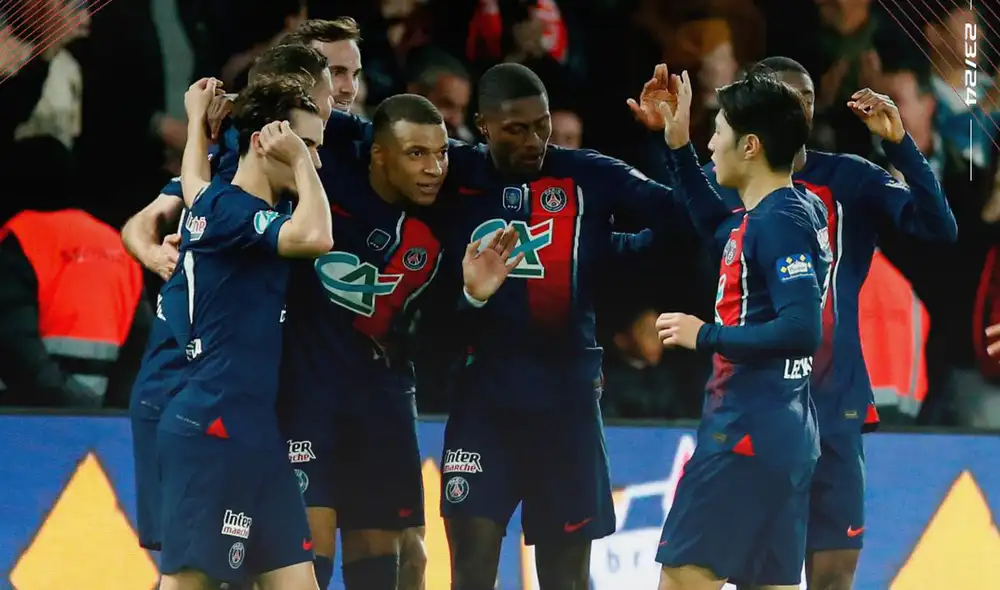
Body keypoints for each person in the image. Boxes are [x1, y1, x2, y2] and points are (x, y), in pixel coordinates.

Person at [319, 62, 682, 589]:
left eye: (542, 125)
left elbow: (684, 217)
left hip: (567, 410)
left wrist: (673, 145)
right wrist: (270, 108)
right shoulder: (451, 174)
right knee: (469, 572)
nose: (534, 141)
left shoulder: (587, 174)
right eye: (516, 129)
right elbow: (371, 136)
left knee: (565, 582)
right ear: (483, 126)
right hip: (482, 407)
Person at [703, 57, 955, 590]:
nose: (800, 108)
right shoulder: (724, 178)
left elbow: (939, 229)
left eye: (808, 98)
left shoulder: (850, 177)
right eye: (787, 97)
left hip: (835, 401)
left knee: (835, 574)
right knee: (758, 578)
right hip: (755, 403)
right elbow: (665, 238)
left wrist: (899, 144)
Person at [277, 93, 522, 590]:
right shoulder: (325, 183)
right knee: (306, 561)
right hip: (307, 395)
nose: (434, 169)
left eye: (441, 153)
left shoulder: (448, 226)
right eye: (416, 154)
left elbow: (436, 342)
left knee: (392, 563)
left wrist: (472, 297)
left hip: (382, 399)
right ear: (379, 155)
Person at [126, 41, 332, 562]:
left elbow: (195, 184)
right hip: (198, 407)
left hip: (252, 421)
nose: (340, 96)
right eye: (309, 143)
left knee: (288, 574)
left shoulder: (215, 191)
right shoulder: (232, 206)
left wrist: (197, 124)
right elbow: (314, 237)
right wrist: (158, 255)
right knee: (193, 575)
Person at [639, 64, 830, 590]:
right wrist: (677, 148)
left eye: (717, 132)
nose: (711, 144)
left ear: (749, 146)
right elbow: (717, 229)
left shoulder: (777, 223)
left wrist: (705, 334)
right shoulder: (794, 208)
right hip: (785, 434)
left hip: (744, 433)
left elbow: (801, 329)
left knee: (683, 582)